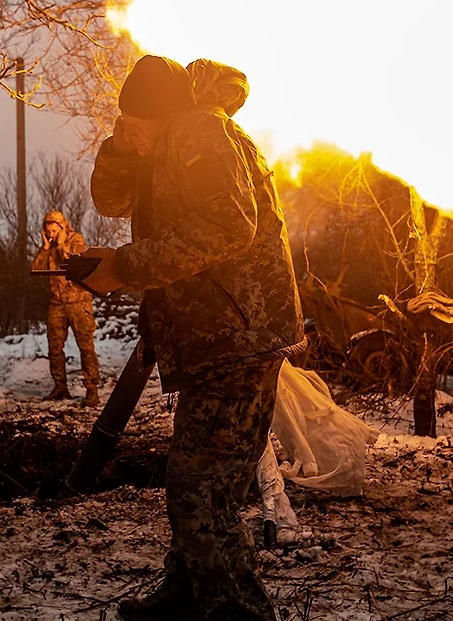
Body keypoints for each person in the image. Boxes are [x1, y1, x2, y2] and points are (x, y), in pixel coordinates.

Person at [83, 56, 306, 621]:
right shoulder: (163, 147)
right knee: (194, 478)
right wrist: (120, 144)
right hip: (216, 339)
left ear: (163, 115)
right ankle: (188, 594)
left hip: (238, 335)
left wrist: (128, 266)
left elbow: (231, 223)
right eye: (121, 121)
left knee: (201, 488)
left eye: (135, 122)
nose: (125, 131)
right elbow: (110, 201)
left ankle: (237, 611)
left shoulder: (199, 130)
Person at [31, 211, 100, 406]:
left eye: (54, 229)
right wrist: (45, 248)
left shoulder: (76, 240)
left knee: (86, 347)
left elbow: (75, 264)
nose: (51, 233)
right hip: (57, 304)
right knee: (54, 348)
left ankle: (91, 390)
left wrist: (61, 245)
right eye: (48, 230)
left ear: (63, 227)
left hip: (79, 302)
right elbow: (36, 270)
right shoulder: (49, 246)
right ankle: (60, 387)